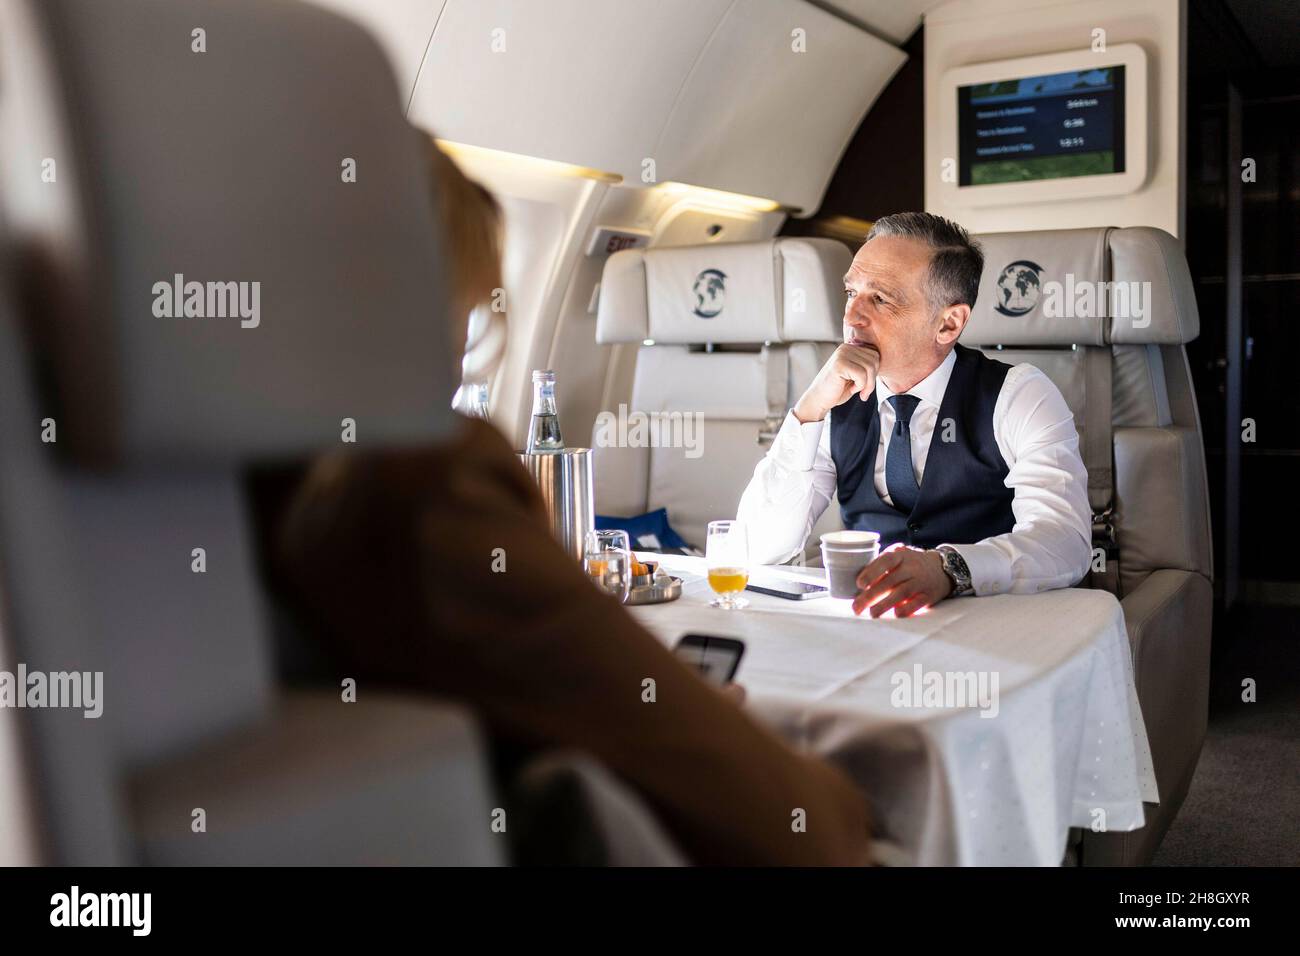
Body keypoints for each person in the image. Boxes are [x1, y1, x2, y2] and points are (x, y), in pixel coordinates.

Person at [265, 135, 872, 866]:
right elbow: (796, 827)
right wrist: (728, 740)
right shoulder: (416, 483)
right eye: (470, 299)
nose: (466, 342)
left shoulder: (184, 493)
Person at [737, 212, 1091, 619]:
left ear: (948, 323)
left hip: (991, 626)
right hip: (869, 623)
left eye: (881, 298)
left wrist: (949, 568)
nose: (852, 317)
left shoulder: (1019, 395)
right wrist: (808, 412)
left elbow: (1065, 541)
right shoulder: (832, 403)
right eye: (851, 292)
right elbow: (757, 548)